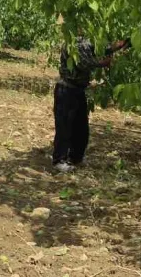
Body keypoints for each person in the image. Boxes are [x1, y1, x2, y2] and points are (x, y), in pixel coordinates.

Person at [53, 29, 129, 173]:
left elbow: (101, 49)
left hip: (78, 90)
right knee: (64, 126)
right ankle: (59, 160)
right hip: (66, 90)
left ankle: (76, 157)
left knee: (81, 127)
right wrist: (108, 62)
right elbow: (86, 63)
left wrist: (120, 45)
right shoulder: (74, 43)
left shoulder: (86, 41)